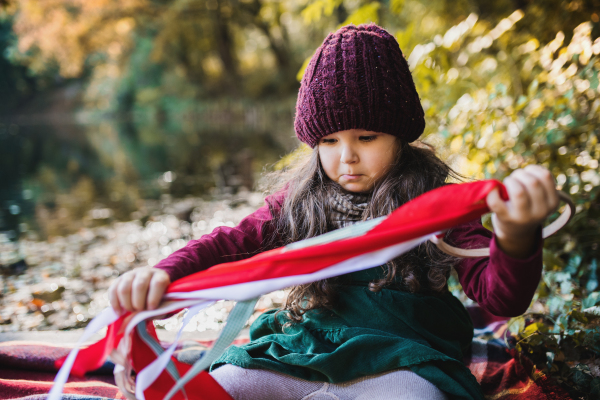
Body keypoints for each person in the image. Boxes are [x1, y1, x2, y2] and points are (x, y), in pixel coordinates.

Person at [108, 23, 558, 400]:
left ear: (398, 135)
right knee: (222, 388)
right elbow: (229, 246)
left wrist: (516, 232)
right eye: (329, 141)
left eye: (366, 138)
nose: (347, 158)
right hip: (306, 346)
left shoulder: (435, 203)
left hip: (406, 354)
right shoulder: (299, 201)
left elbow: (501, 298)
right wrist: (162, 276)